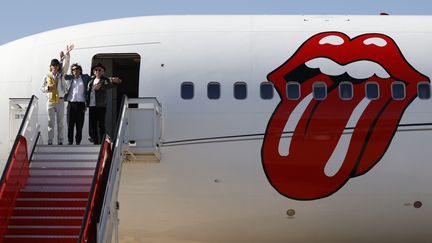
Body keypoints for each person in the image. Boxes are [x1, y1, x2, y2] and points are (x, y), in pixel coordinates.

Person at [41, 45, 74, 145]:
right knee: (50, 123)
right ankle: (50, 141)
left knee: (60, 123)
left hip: (60, 100)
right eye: (53, 66)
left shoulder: (61, 74)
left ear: (58, 67)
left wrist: (67, 55)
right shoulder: (47, 76)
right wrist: (48, 88)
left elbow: (67, 65)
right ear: (50, 67)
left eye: (56, 66)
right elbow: (42, 88)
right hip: (50, 101)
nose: (54, 68)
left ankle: (60, 141)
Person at [86, 63, 122, 144]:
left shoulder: (105, 80)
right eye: (96, 70)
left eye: (100, 70)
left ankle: (102, 142)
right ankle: (95, 141)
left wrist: (103, 85)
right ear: (93, 72)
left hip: (100, 106)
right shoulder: (90, 80)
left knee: (101, 125)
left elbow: (111, 85)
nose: (98, 71)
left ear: (103, 72)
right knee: (93, 125)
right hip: (92, 106)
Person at [65, 63, 90, 145]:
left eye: (77, 69)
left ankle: (78, 142)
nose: (75, 71)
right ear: (71, 71)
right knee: (70, 125)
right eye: (73, 69)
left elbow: (96, 78)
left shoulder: (85, 77)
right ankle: (70, 141)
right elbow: (61, 73)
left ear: (80, 70)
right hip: (71, 104)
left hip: (81, 104)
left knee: (79, 125)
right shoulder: (69, 78)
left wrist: (110, 79)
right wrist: (63, 59)